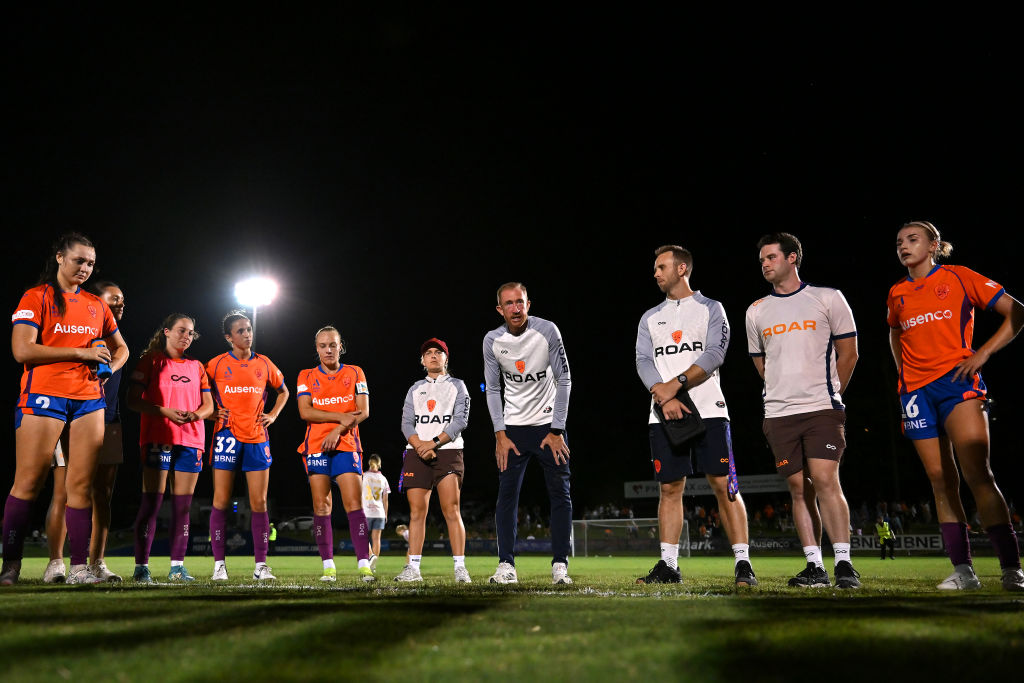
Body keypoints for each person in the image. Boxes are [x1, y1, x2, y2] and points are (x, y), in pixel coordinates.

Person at [887, 220, 1023, 591]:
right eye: (899, 242)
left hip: (957, 383)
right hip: (915, 393)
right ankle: (963, 572)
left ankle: (1011, 569)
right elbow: (895, 332)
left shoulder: (959, 277)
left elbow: (1017, 312)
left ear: (933, 245)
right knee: (940, 481)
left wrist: (983, 353)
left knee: (978, 473)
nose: (904, 246)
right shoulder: (897, 292)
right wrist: (903, 373)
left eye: (913, 239)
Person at [3, 234, 129, 586]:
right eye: (78, 260)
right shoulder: (36, 297)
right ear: (59, 257)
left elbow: (122, 348)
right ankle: (11, 565)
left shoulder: (96, 305)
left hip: (89, 399)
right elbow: (22, 350)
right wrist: (81, 353)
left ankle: (78, 569)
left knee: (81, 486)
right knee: (29, 482)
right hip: (44, 396)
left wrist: (108, 369)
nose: (85, 268)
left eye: (90, 263)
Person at [744, 232, 861, 589]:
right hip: (779, 413)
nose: (764, 264)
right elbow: (761, 364)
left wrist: (830, 393)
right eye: (761, 260)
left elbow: (849, 353)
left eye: (771, 257)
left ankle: (844, 564)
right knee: (798, 489)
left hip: (821, 408)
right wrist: (782, 391)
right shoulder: (756, 310)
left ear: (792, 257)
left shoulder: (827, 298)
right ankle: (815, 566)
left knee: (825, 480)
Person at [635, 245, 756, 587]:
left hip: (709, 409)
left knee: (723, 485)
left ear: (682, 268)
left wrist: (674, 386)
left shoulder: (711, 308)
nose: (655, 273)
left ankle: (743, 563)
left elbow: (716, 353)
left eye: (661, 267)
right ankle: (668, 566)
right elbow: (643, 361)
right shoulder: (649, 317)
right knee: (669, 488)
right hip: (663, 413)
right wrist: (662, 396)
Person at [483, 283, 573, 584]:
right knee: (506, 497)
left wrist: (557, 429)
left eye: (520, 302)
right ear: (500, 309)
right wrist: (500, 434)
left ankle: (560, 565)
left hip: (549, 429)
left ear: (528, 304)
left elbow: (564, 379)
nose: (515, 308)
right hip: (513, 432)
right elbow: (492, 388)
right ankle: (506, 565)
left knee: (560, 494)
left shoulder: (548, 330)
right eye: (509, 303)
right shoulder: (492, 340)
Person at [43, 281, 128, 583]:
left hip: (109, 421)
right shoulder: (75, 334)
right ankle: (55, 562)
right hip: (69, 419)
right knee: (63, 491)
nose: (119, 304)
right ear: (95, 302)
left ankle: (97, 563)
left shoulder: (116, 343)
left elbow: (122, 357)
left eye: (122, 299)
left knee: (102, 495)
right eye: (113, 299)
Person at [127, 313, 214, 582]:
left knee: (182, 508)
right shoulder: (151, 360)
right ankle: (141, 567)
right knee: (151, 504)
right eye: (181, 330)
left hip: (191, 440)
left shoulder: (197, 366)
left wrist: (195, 415)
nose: (186, 336)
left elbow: (209, 406)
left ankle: (177, 568)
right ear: (166, 331)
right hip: (158, 437)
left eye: (190, 332)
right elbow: (132, 400)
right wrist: (164, 411)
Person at [206, 310, 290, 582]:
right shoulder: (215, 364)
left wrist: (273, 415)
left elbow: (284, 391)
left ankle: (261, 566)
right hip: (226, 437)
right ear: (228, 337)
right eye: (240, 331)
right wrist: (209, 413)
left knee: (259, 502)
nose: (247, 334)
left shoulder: (264, 363)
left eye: (249, 329)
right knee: (221, 501)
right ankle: (219, 565)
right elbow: (197, 392)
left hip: (257, 437)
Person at [296, 326, 375, 582]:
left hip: (346, 444)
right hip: (315, 446)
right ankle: (328, 567)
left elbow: (363, 412)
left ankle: (364, 565)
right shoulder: (306, 375)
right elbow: (305, 412)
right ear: (316, 348)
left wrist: (338, 430)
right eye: (323, 346)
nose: (328, 350)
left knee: (354, 505)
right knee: (322, 506)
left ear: (340, 346)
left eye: (332, 345)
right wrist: (341, 416)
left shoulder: (355, 372)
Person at [394, 338, 472, 583]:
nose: (433, 355)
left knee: (451, 509)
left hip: (448, 451)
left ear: (446, 358)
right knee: (417, 512)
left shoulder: (458, 385)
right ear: (422, 360)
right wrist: (420, 445)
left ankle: (460, 568)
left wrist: (433, 443)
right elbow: (406, 423)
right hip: (416, 452)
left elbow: (460, 421)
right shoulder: (415, 388)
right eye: (428, 352)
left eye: (439, 352)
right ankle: (413, 568)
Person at [362, 454, 390, 566]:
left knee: (362, 537)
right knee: (376, 539)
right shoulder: (383, 479)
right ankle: (373, 566)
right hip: (380, 513)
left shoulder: (364, 476)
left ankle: (371, 556)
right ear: (379, 464)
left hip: (366, 511)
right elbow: (385, 499)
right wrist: (386, 514)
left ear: (369, 463)